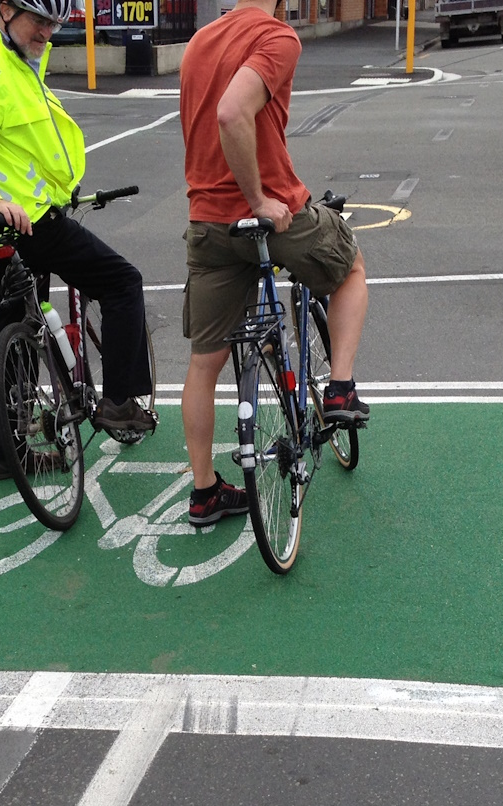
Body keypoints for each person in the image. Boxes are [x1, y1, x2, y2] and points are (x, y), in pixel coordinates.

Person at [0, 0, 156, 480]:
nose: (48, 34)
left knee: (16, 332)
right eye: (40, 21)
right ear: (5, 11)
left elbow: (20, 143)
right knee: (122, 283)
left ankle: (6, 453)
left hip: (22, 223)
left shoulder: (20, 58)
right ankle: (118, 402)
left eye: (55, 24)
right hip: (27, 223)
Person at [177, 0, 371, 526]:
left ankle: (204, 492)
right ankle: (340, 388)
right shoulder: (277, 37)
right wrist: (259, 198)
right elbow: (231, 112)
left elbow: (200, 123)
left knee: (204, 363)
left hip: (208, 222)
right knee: (350, 269)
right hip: (271, 215)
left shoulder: (198, 43)